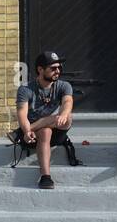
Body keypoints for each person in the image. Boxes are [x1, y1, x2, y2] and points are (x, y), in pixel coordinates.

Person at [15, 51, 74, 190]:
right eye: (53, 68)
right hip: (32, 137)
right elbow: (22, 114)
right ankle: (46, 177)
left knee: (67, 119)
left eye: (59, 68)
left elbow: (67, 103)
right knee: (45, 132)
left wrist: (63, 114)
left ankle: (21, 132)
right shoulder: (25, 89)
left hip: (55, 130)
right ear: (40, 70)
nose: (57, 71)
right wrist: (26, 130)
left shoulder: (64, 86)